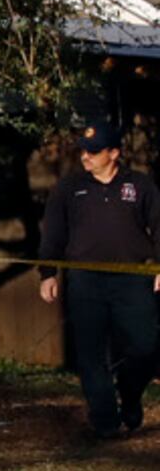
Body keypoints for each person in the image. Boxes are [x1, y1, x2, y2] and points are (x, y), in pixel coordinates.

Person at [36, 117, 160, 438]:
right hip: (84, 281)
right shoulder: (68, 188)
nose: (85, 156)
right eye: (84, 151)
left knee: (146, 346)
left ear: (114, 153)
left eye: (94, 151)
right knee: (90, 353)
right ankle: (105, 420)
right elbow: (53, 233)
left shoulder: (141, 186)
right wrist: (48, 273)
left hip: (132, 280)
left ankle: (130, 394)